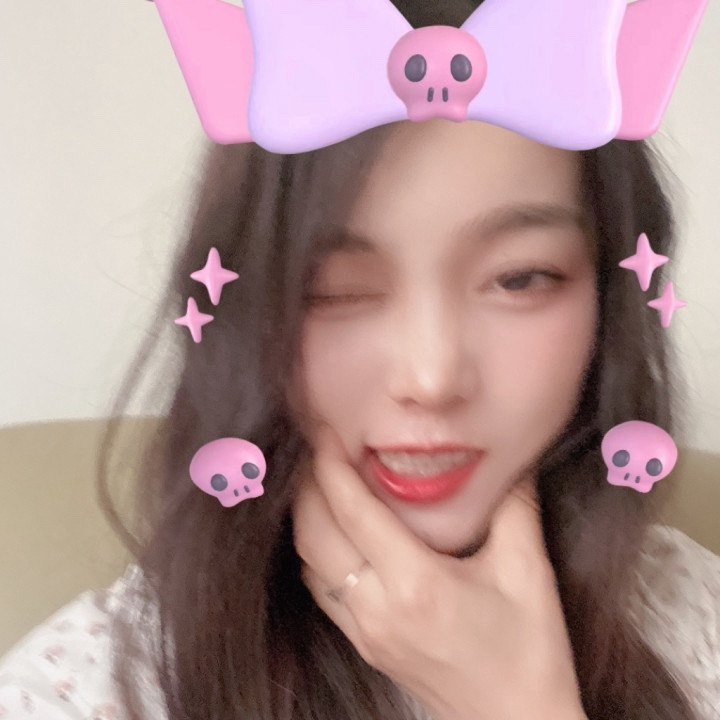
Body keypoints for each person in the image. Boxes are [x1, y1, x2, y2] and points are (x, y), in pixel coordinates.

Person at [1, 0, 719, 718]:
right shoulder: (91, 690)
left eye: (520, 278)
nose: (431, 378)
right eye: (334, 290)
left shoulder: (693, 617)